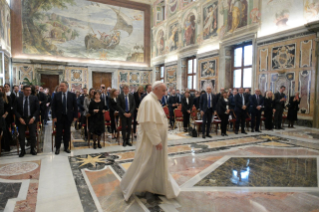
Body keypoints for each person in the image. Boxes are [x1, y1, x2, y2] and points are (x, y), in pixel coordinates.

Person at [120, 81, 180, 201]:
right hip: (150, 141)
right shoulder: (148, 101)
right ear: (156, 89)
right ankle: (144, 187)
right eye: (163, 90)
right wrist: (156, 140)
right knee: (147, 164)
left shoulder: (154, 100)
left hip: (155, 140)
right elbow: (148, 124)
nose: (165, 93)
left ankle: (155, 187)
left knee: (154, 164)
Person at [51, 81, 78, 155]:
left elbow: (75, 106)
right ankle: (57, 148)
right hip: (59, 117)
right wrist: (54, 116)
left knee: (67, 133)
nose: (61, 87)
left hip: (68, 117)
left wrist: (75, 116)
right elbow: (53, 107)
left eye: (62, 86)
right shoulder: (57, 95)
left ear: (66, 86)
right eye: (60, 86)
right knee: (58, 133)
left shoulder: (72, 95)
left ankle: (66, 147)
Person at [14, 85, 39, 157]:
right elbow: (15, 110)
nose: (29, 92)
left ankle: (32, 149)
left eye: (30, 90)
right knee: (21, 135)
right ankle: (22, 150)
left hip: (31, 118)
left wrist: (33, 118)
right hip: (22, 118)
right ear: (23, 90)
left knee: (33, 135)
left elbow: (37, 109)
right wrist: (19, 118)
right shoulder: (18, 99)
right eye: (27, 90)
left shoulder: (34, 98)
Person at [0, 86, 12, 152]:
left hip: (5, 117)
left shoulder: (7, 98)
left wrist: (5, 115)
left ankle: (6, 146)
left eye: (1, 90)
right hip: (0, 117)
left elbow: (8, 107)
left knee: (5, 132)